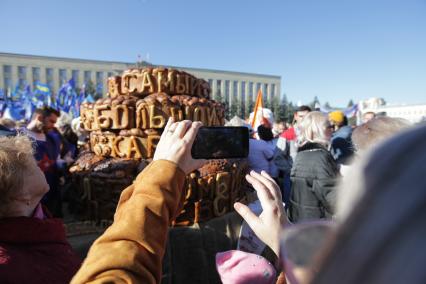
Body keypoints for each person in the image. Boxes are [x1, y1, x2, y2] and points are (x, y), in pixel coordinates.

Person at [0, 134, 81, 283]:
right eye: (34, 166)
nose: (39, 164)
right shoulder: (13, 268)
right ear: (23, 195)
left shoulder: (37, 218)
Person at [288, 111, 339, 223]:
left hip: (301, 220)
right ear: (319, 130)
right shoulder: (320, 157)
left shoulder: (302, 154)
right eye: (329, 126)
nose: (333, 130)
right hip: (317, 225)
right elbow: (333, 198)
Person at [24, 107, 62, 217]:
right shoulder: (18, 136)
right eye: (51, 121)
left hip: (50, 191)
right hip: (28, 194)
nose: (53, 125)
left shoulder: (53, 139)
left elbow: (56, 159)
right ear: (39, 118)